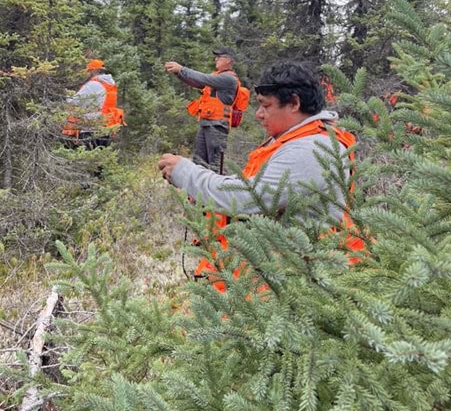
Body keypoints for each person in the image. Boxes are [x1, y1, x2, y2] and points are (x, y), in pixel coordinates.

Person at [159, 61, 364, 285]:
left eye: (266, 106)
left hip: (292, 280)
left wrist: (184, 172)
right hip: (282, 269)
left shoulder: (310, 150)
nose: (258, 115)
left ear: (294, 103)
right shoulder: (302, 139)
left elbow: (246, 197)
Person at [164, 47, 240, 172]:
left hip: (217, 126)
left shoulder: (229, 79)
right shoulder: (217, 76)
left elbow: (202, 79)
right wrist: (178, 73)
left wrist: (182, 69)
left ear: (229, 60)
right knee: (199, 162)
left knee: (216, 165)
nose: (216, 59)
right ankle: (199, 190)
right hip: (207, 123)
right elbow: (197, 83)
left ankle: (218, 189)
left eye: (219, 57)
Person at [62, 59, 124, 148]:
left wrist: (64, 95)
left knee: (86, 158)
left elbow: (74, 101)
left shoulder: (92, 84)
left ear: (94, 71)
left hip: (90, 128)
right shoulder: (110, 85)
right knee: (100, 158)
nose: (87, 74)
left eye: (89, 71)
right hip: (106, 129)